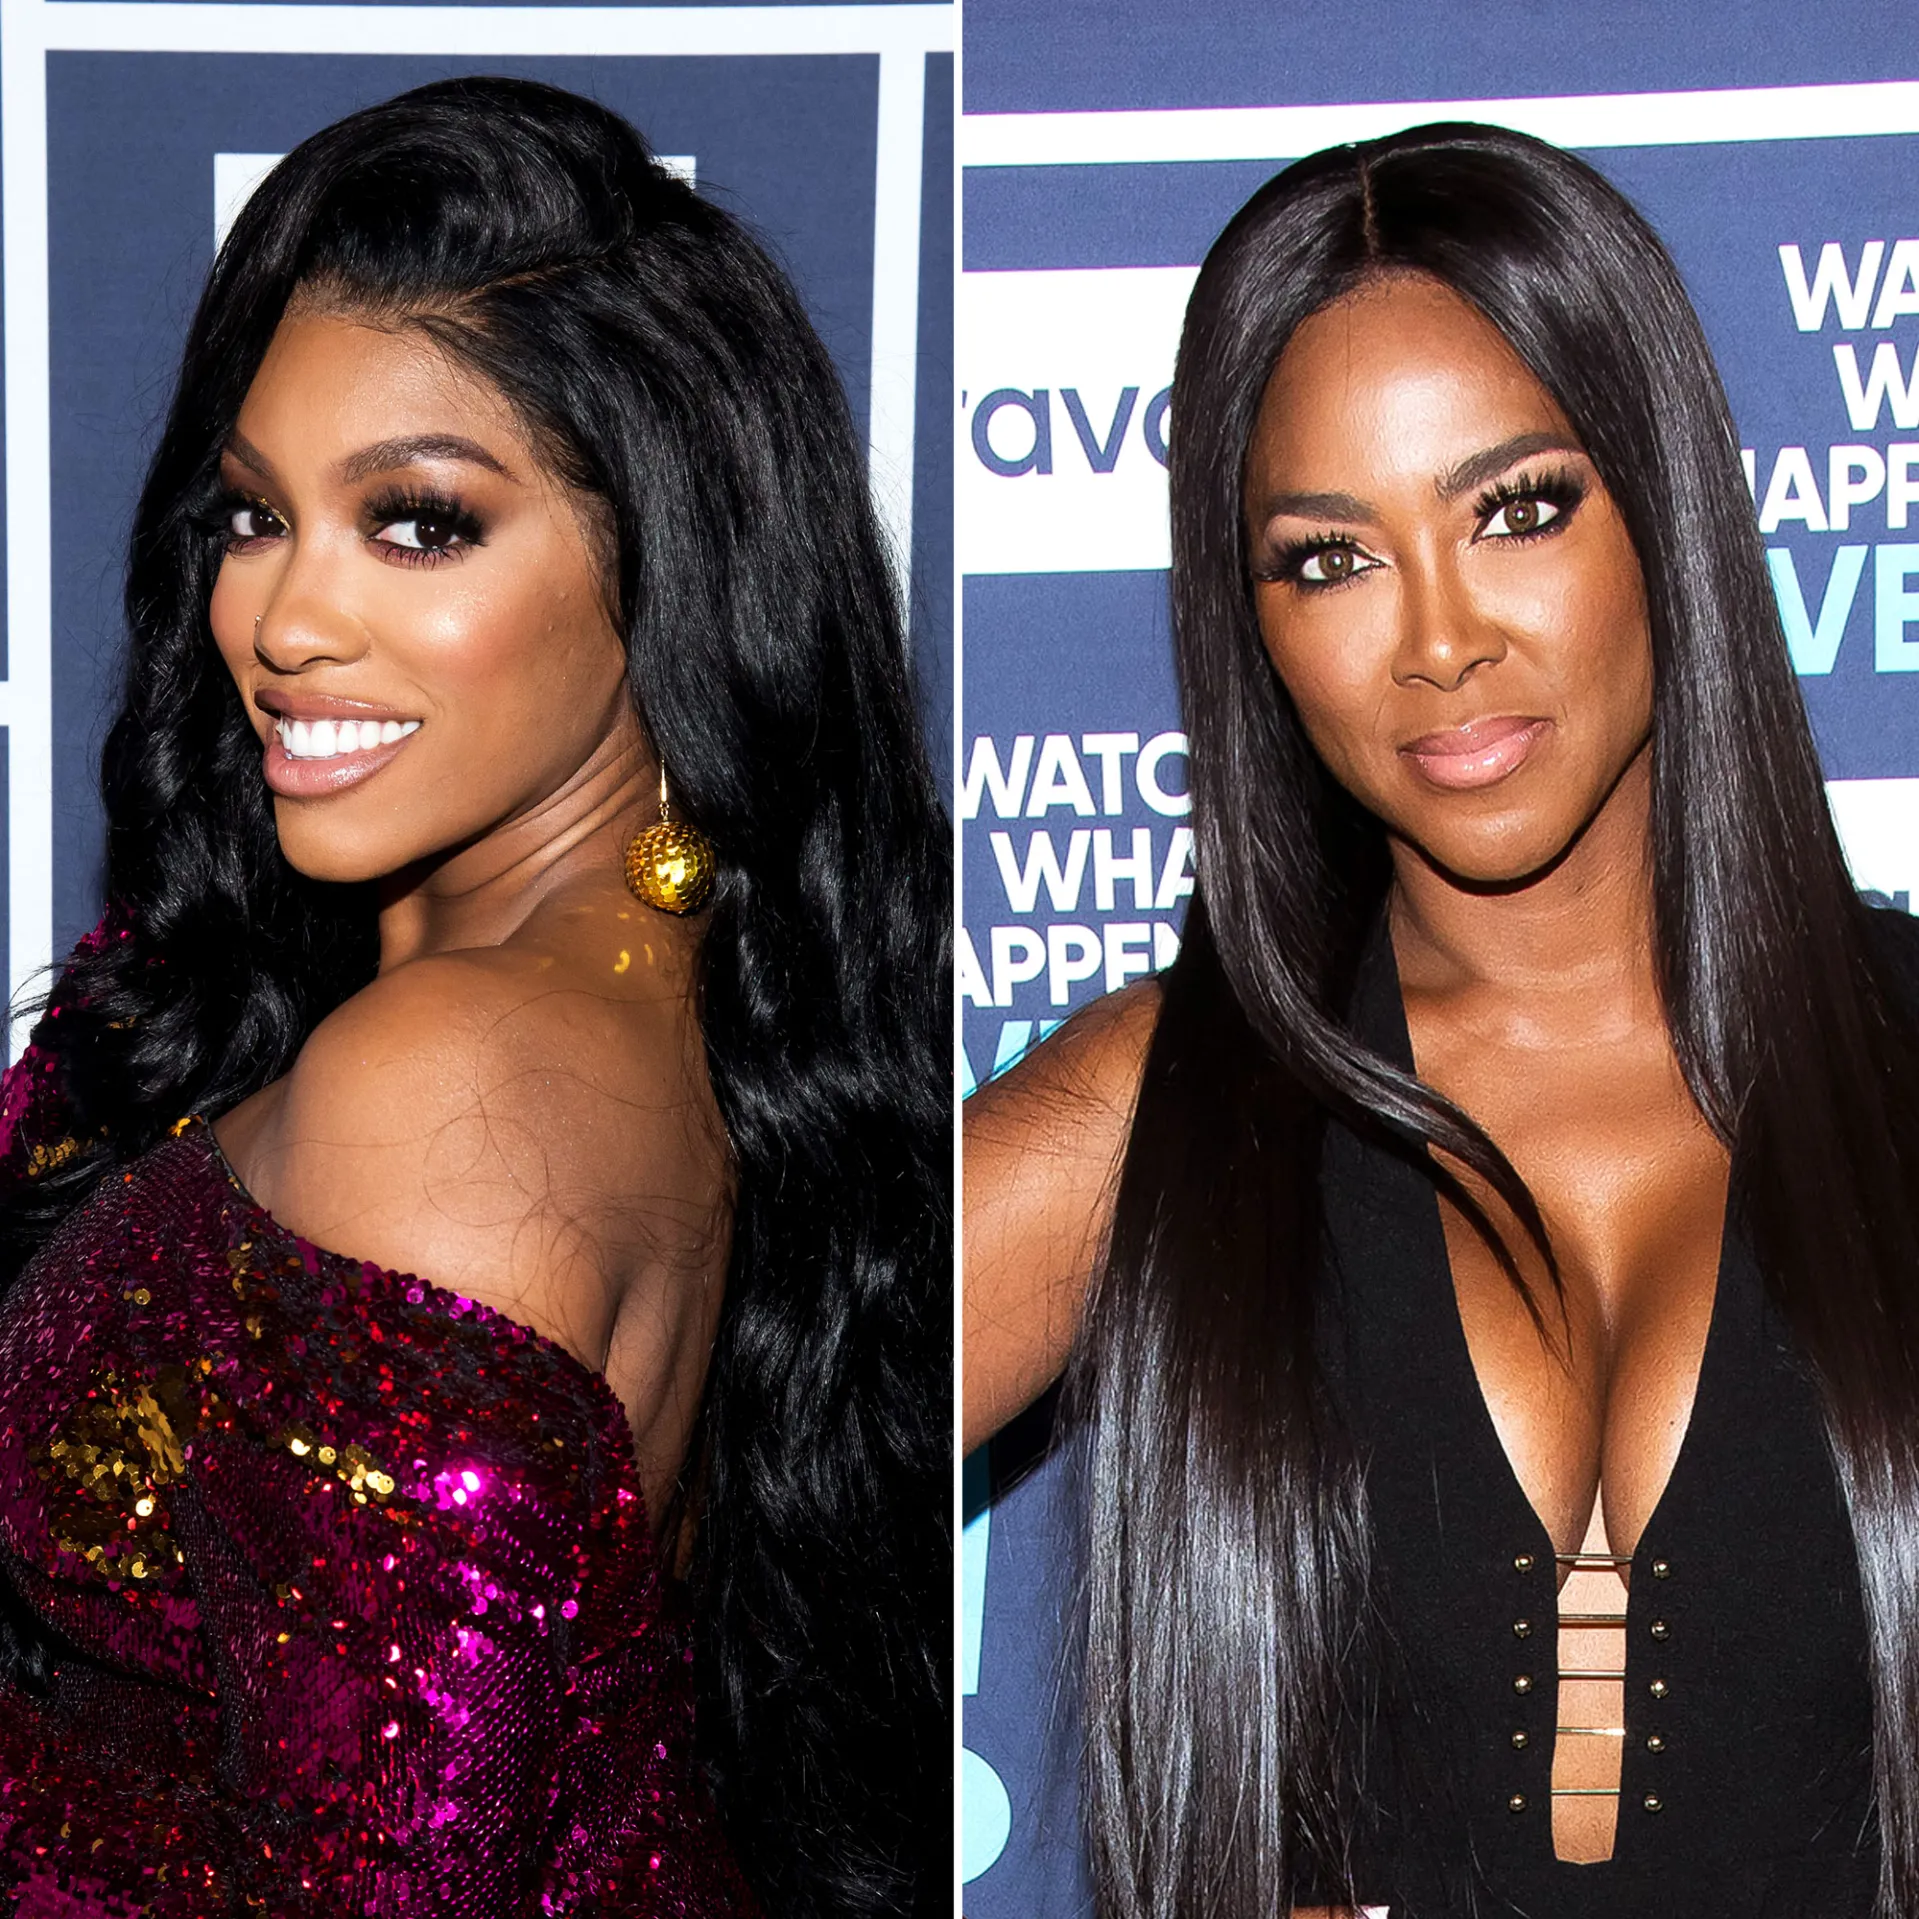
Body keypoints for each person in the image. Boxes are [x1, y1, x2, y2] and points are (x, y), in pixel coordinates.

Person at [0, 76, 949, 1919]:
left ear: (662, 555)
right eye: (253, 515)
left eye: (419, 524)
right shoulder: (638, 991)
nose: (284, 623)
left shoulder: (455, 1079)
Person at [965, 122, 1919, 1919]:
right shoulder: (1168, 1108)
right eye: (1329, 558)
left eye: (1517, 509)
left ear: (1666, 505)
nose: (1438, 638)